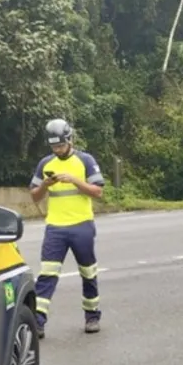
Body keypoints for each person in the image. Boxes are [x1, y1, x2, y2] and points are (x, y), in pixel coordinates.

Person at [29, 118, 106, 337]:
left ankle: (92, 316)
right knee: (47, 274)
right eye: (54, 147)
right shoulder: (45, 164)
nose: (58, 150)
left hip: (82, 225)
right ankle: (39, 321)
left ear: (70, 140)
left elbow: (98, 192)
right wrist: (45, 184)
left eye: (61, 145)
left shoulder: (86, 160)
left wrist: (74, 180)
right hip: (55, 227)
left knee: (88, 272)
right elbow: (34, 197)